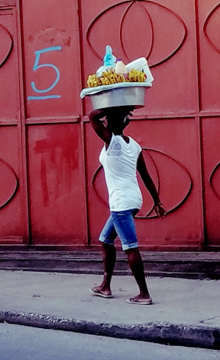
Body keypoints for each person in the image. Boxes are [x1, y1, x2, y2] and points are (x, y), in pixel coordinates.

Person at [88, 106, 166, 305]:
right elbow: (146, 176)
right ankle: (105, 286)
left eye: (107, 122)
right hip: (133, 200)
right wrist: (157, 200)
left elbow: (92, 116)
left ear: (111, 123)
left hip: (121, 203)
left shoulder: (112, 143)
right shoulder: (134, 145)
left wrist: (115, 105)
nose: (104, 123)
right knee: (106, 239)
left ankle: (144, 294)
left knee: (131, 247)